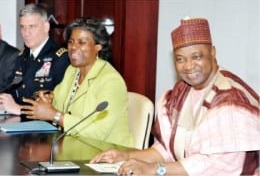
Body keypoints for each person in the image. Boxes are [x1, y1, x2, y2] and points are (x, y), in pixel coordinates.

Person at [90, 18, 260, 175]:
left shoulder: (231, 103)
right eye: (180, 59)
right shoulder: (182, 90)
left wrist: (155, 170)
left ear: (213, 53)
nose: (188, 66)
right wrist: (126, 157)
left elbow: (214, 167)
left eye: (196, 57)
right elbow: (166, 150)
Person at [20, 17, 134, 148]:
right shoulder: (73, 71)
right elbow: (58, 101)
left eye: (81, 42)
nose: (73, 47)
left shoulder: (111, 81)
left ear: (98, 47)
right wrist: (48, 99)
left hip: (106, 155)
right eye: (71, 42)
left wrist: (55, 115)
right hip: (73, 147)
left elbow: (97, 132)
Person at [0, 4, 70, 117]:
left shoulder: (60, 58)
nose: (26, 33)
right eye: (22, 27)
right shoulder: (21, 56)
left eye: (32, 27)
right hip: (16, 122)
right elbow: (13, 88)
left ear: (46, 27)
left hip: (43, 128)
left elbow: (58, 107)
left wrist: (19, 109)